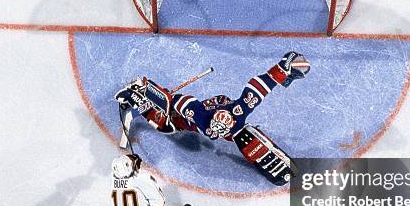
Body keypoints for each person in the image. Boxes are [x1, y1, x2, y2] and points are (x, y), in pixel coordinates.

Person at [115, 51, 310, 185]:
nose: (218, 131)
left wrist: (282, 69)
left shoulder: (211, 116)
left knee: (169, 123)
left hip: (203, 111)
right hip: (192, 116)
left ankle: (140, 95)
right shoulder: (222, 114)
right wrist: (148, 91)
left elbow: (260, 86)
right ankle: (138, 97)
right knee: (167, 125)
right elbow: (259, 87)